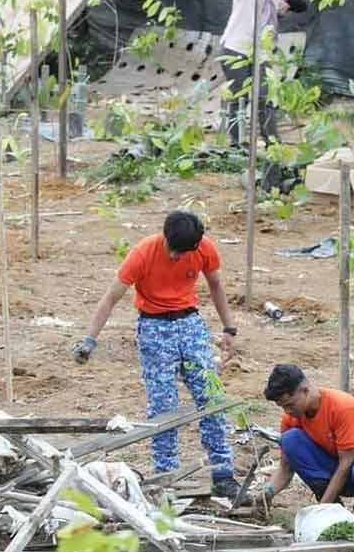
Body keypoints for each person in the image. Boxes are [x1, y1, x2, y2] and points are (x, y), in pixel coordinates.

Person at [71, 211, 241, 499]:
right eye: (172, 250)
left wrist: (229, 327)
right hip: (153, 327)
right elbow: (111, 297)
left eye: (182, 252)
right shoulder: (142, 253)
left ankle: (223, 472)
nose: (175, 257)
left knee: (211, 396)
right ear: (164, 237)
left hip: (190, 323)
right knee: (163, 406)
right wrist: (90, 339)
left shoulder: (204, 248)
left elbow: (216, 285)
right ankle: (166, 477)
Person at [260, 364, 354, 523]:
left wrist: (320, 511)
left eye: (290, 405)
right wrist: (265, 494)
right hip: (335, 466)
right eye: (283, 407)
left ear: (305, 390)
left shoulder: (341, 406)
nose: (287, 411)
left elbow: (346, 462)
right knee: (290, 439)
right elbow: (285, 468)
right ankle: (335, 510)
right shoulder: (292, 418)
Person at [220, 0, 307, 147]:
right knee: (239, 97)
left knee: (265, 97)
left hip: (260, 53)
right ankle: (237, 144)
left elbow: (301, 7)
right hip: (236, 48)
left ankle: (272, 142)